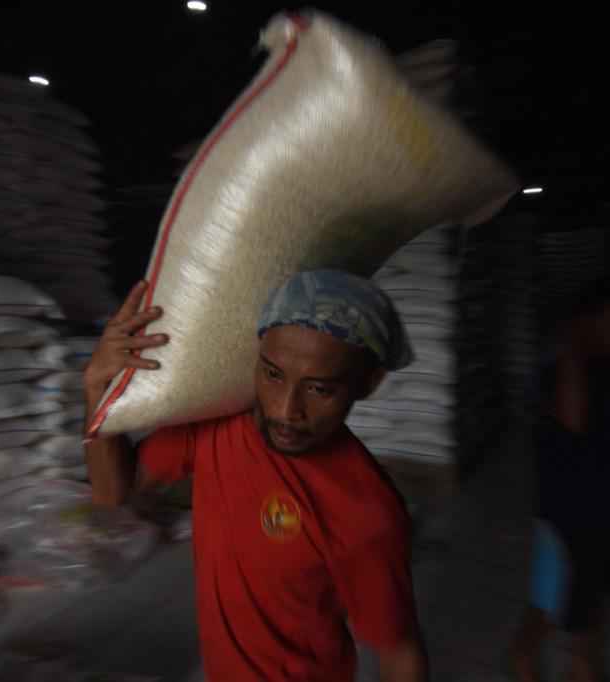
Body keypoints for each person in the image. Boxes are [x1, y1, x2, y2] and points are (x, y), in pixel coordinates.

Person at [83, 268, 428, 682]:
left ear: (368, 383)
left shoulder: (367, 512)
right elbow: (111, 489)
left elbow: (398, 651)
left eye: (318, 389)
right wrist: (97, 386)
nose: (284, 410)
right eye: (272, 374)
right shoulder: (216, 424)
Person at [510, 277, 610, 682]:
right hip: (569, 510)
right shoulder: (556, 362)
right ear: (587, 321)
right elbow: (572, 420)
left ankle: (582, 665)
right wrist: (572, 344)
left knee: (596, 586)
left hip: (607, 503)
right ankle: (521, 656)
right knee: (555, 595)